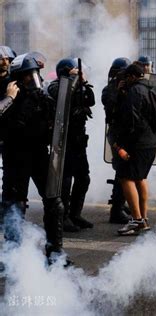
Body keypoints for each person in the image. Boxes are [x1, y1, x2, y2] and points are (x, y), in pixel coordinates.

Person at [1, 52, 71, 265]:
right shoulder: (5, 93)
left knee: (54, 202)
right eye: (28, 76)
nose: (33, 80)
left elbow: (57, 124)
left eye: (35, 75)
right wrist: (10, 98)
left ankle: (55, 253)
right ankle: (12, 256)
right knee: (14, 205)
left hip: (39, 153)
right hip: (15, 155)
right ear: (17, 78)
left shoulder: (42, 97)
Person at [47, 58, 95, 232]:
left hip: (78, 142)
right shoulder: (54, 86)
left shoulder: (80, 86)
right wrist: (71, 79)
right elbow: (62, 96)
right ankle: (64, 216)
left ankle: (76, 214)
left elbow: (91, 99)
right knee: (65, 180)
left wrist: (81, 82)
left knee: (84, 178)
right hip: (63, 142)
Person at [113, 64, 156, 235]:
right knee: (140, 178)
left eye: (126, 77)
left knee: (126, 178)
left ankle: (136, 220)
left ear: (132, 76)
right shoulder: (150, 89)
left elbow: (131, 120)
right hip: (150, 141)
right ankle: (143, 219)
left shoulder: (134, 92)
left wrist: (121, 144)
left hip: (137, 143)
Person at [102, 57, 132, 224]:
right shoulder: (109, 90)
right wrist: (118, 92)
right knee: (121, 171)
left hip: (126, 134)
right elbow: (110, 109)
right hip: (116, 136)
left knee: (126, 171)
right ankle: (116, 210)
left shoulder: (129, 88)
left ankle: (122, 203)